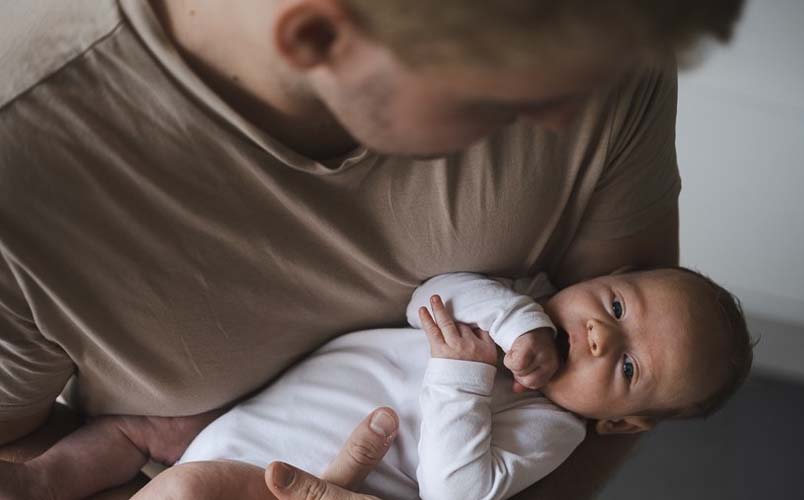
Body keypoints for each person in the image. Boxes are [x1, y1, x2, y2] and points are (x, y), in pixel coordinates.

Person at [0, 0, 746, 498]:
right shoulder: (25, 166)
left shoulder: (592, 37)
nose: (563, 116)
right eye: (508, 89)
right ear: (318, 37)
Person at [3, 268, 753, 499]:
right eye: (616, 306)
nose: (597, 334)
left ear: (621, 424)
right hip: (226, 418)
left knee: (190, 489)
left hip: (267, 481)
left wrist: (464, 376)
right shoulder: (510, 302)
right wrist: (515, 322)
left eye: (625, 366)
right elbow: (427, 294)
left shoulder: (551, 429)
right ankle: (35, 484)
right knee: (138, 427)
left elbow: (456, 491)